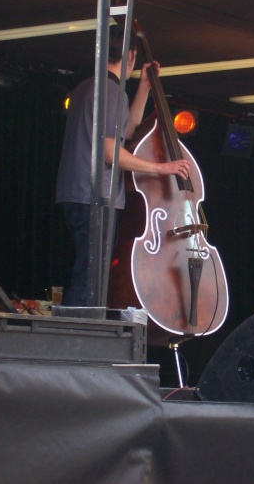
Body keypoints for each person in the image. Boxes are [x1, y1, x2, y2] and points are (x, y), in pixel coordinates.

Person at [55, 24, 191, 307]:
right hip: (96, 195)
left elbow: (127, 131)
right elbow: (110, 151)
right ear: (130, 55)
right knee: (91, 279)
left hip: (74, 193)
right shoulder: (112, 92)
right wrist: (162, 168)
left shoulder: (85, 87)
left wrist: (143, 86)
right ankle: (76, 340)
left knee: (86, 272)